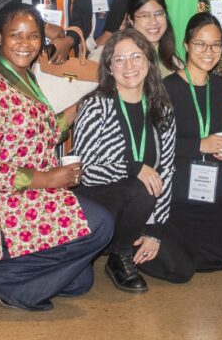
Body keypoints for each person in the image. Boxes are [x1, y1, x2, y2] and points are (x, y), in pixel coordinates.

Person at [0, 4, 114, 310]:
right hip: (3, 200)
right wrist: (47, 179)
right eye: (15, 35)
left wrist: (80, 106)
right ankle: (2, 282)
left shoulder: (22, 76)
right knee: (101, 225)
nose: (24, 43)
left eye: (32, 36)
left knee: (80, 282)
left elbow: (44, 132)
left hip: (32, 191)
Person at [70, 30, 185, 291]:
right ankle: (120, 253)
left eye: (136, 57)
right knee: (140, 187)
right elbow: (82, 171)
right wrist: (134, 168)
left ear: (149, 62)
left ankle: (129, 239)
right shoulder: (96, 106)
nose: (129, 65)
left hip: (140, 205)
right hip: (95, 201)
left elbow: (166, 171)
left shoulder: (162, 108)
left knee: (180, 268)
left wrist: (155, 231)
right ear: (109, 68)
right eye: (119, 60)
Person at [162, 13, 222, 273]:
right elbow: (156, 144)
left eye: (216, 45)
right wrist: (200, 145)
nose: (209, 52)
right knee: (184, 259)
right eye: (200, 44)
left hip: (214, 180)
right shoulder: (167, 88)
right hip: (178, 182)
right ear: (186, 45)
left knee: (221, 257)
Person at [126, 0, 183, 76]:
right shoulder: (123, 58)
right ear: (131, 20)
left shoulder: (172, 60)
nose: (153, 22)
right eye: (145, 16)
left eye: (159, 14)